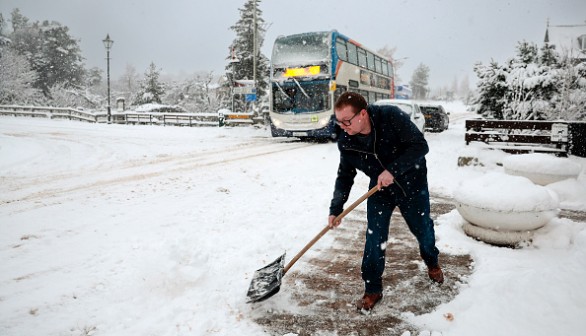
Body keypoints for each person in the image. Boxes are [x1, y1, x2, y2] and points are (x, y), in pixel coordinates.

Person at [328, 92, 443, 313]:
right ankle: (372, 288)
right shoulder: (347, 140)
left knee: (423, 230)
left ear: (363, 114)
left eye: (346, 121)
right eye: (338, 121)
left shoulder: (390, 117)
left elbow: (420, 146)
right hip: (380, 189)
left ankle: (432, 261)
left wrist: (393, 170)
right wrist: (336, 209)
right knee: (374, 236)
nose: (342, 126)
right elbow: (345, 176)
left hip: (412, 184)